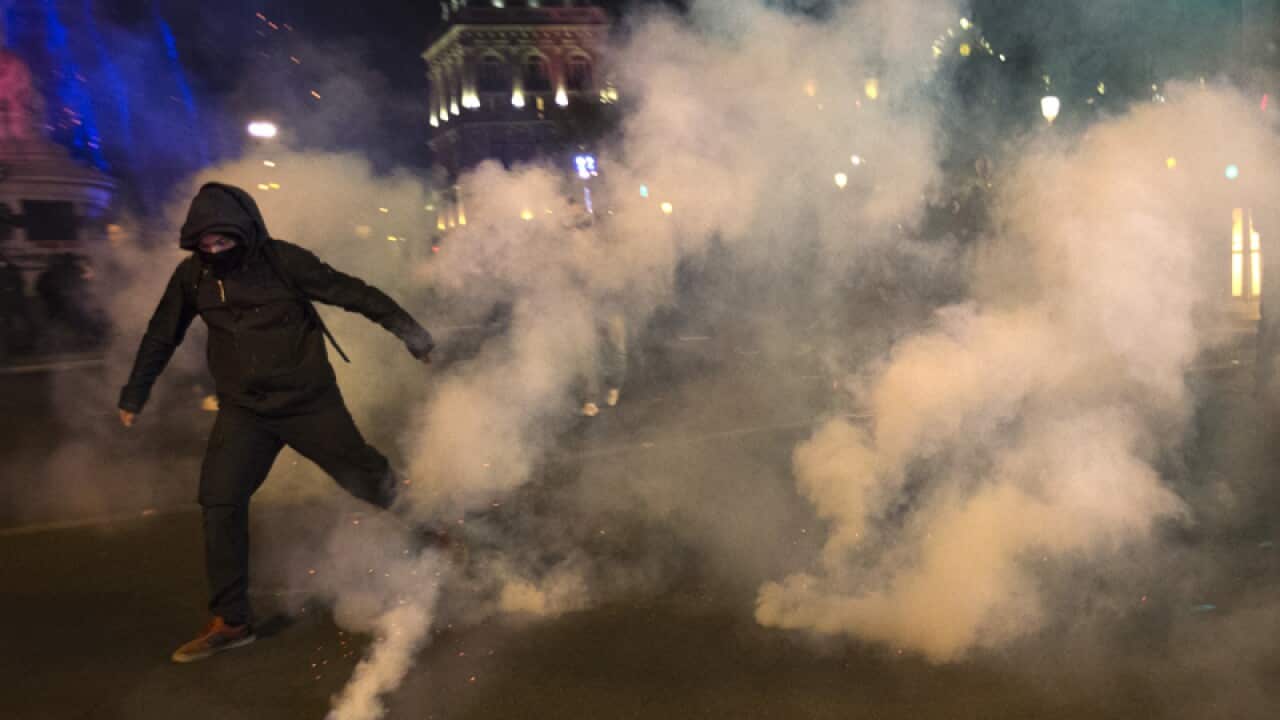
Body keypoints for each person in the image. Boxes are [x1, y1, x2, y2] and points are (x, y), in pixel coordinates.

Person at [118, 183, 434, 663]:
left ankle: (431, 528)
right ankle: (231, 620)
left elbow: (354, 294)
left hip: (309, 404)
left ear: (243, 233)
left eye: (222, 242)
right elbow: (161, 335)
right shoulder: (193, 277)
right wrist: (134, 393)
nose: (214, 251)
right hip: (244, 412)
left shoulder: (285, 261)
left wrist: (413, 334)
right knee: (219, 500)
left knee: (365, 477)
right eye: (204, 244)